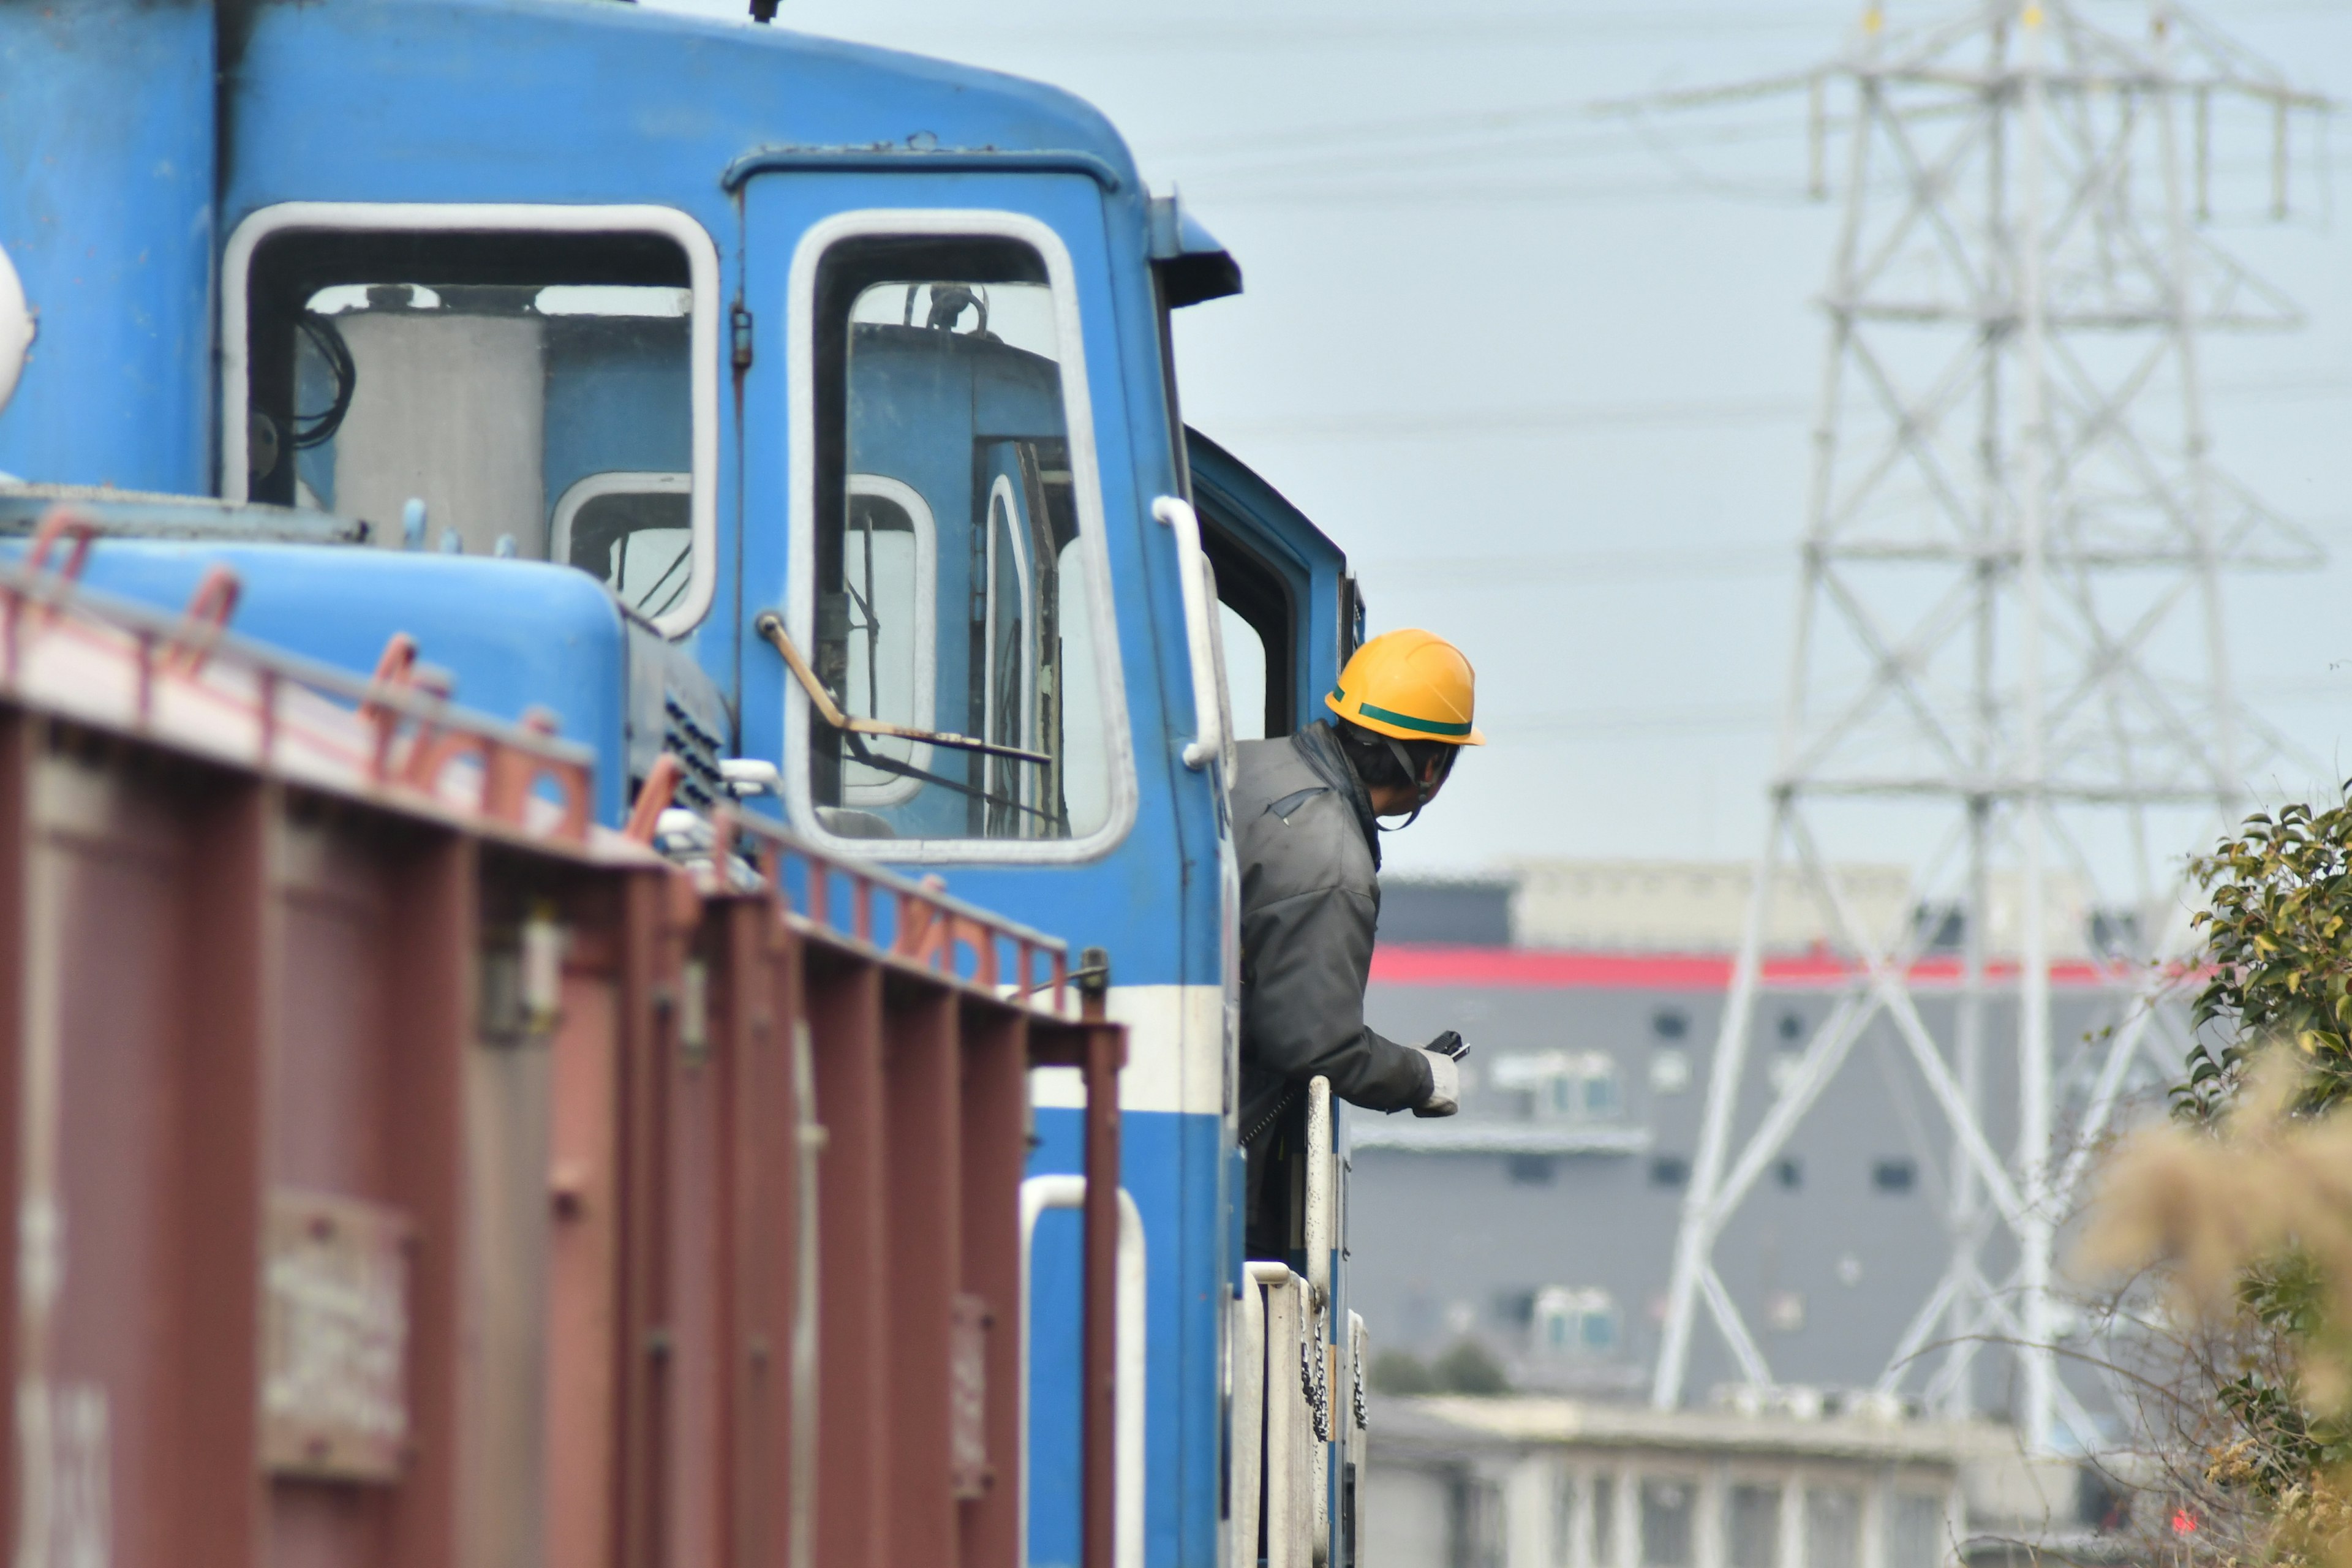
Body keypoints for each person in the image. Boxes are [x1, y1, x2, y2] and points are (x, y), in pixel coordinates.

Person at [1232, 627, 1482, 1254]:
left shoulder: (1247, 764)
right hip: (1207, 1151)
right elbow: (1318, 1044)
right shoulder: (1336, 866)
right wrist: (1423, 1077)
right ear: (1430, 765)